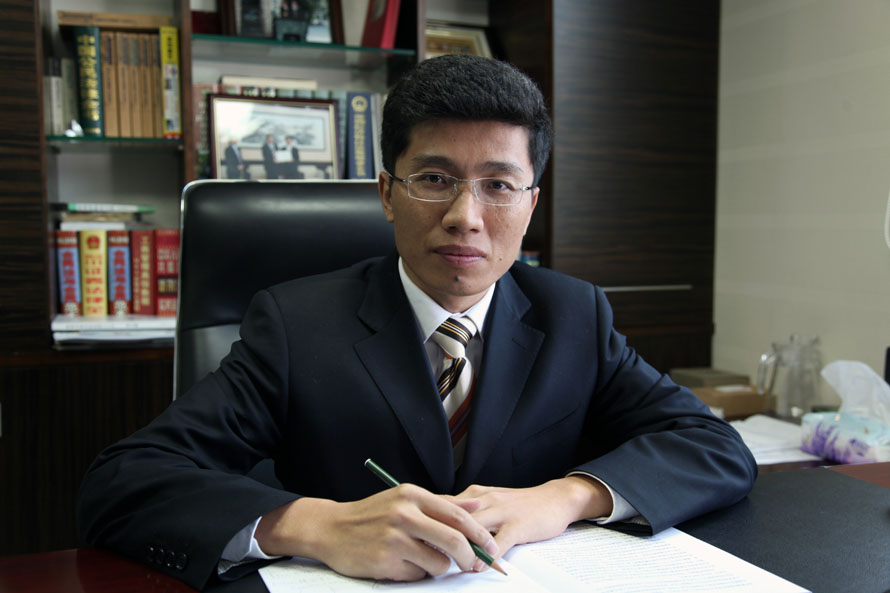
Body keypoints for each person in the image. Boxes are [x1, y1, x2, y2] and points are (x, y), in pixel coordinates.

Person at [77, 55, 756, 590]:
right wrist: (314, 524)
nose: (465, 216)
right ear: (387, 193)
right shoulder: (295, 324)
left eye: (498, 185)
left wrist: (564, 497)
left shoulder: (574, 314)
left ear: (531, 204)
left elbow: (713, 446)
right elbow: (123, 482)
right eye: (434, 179)